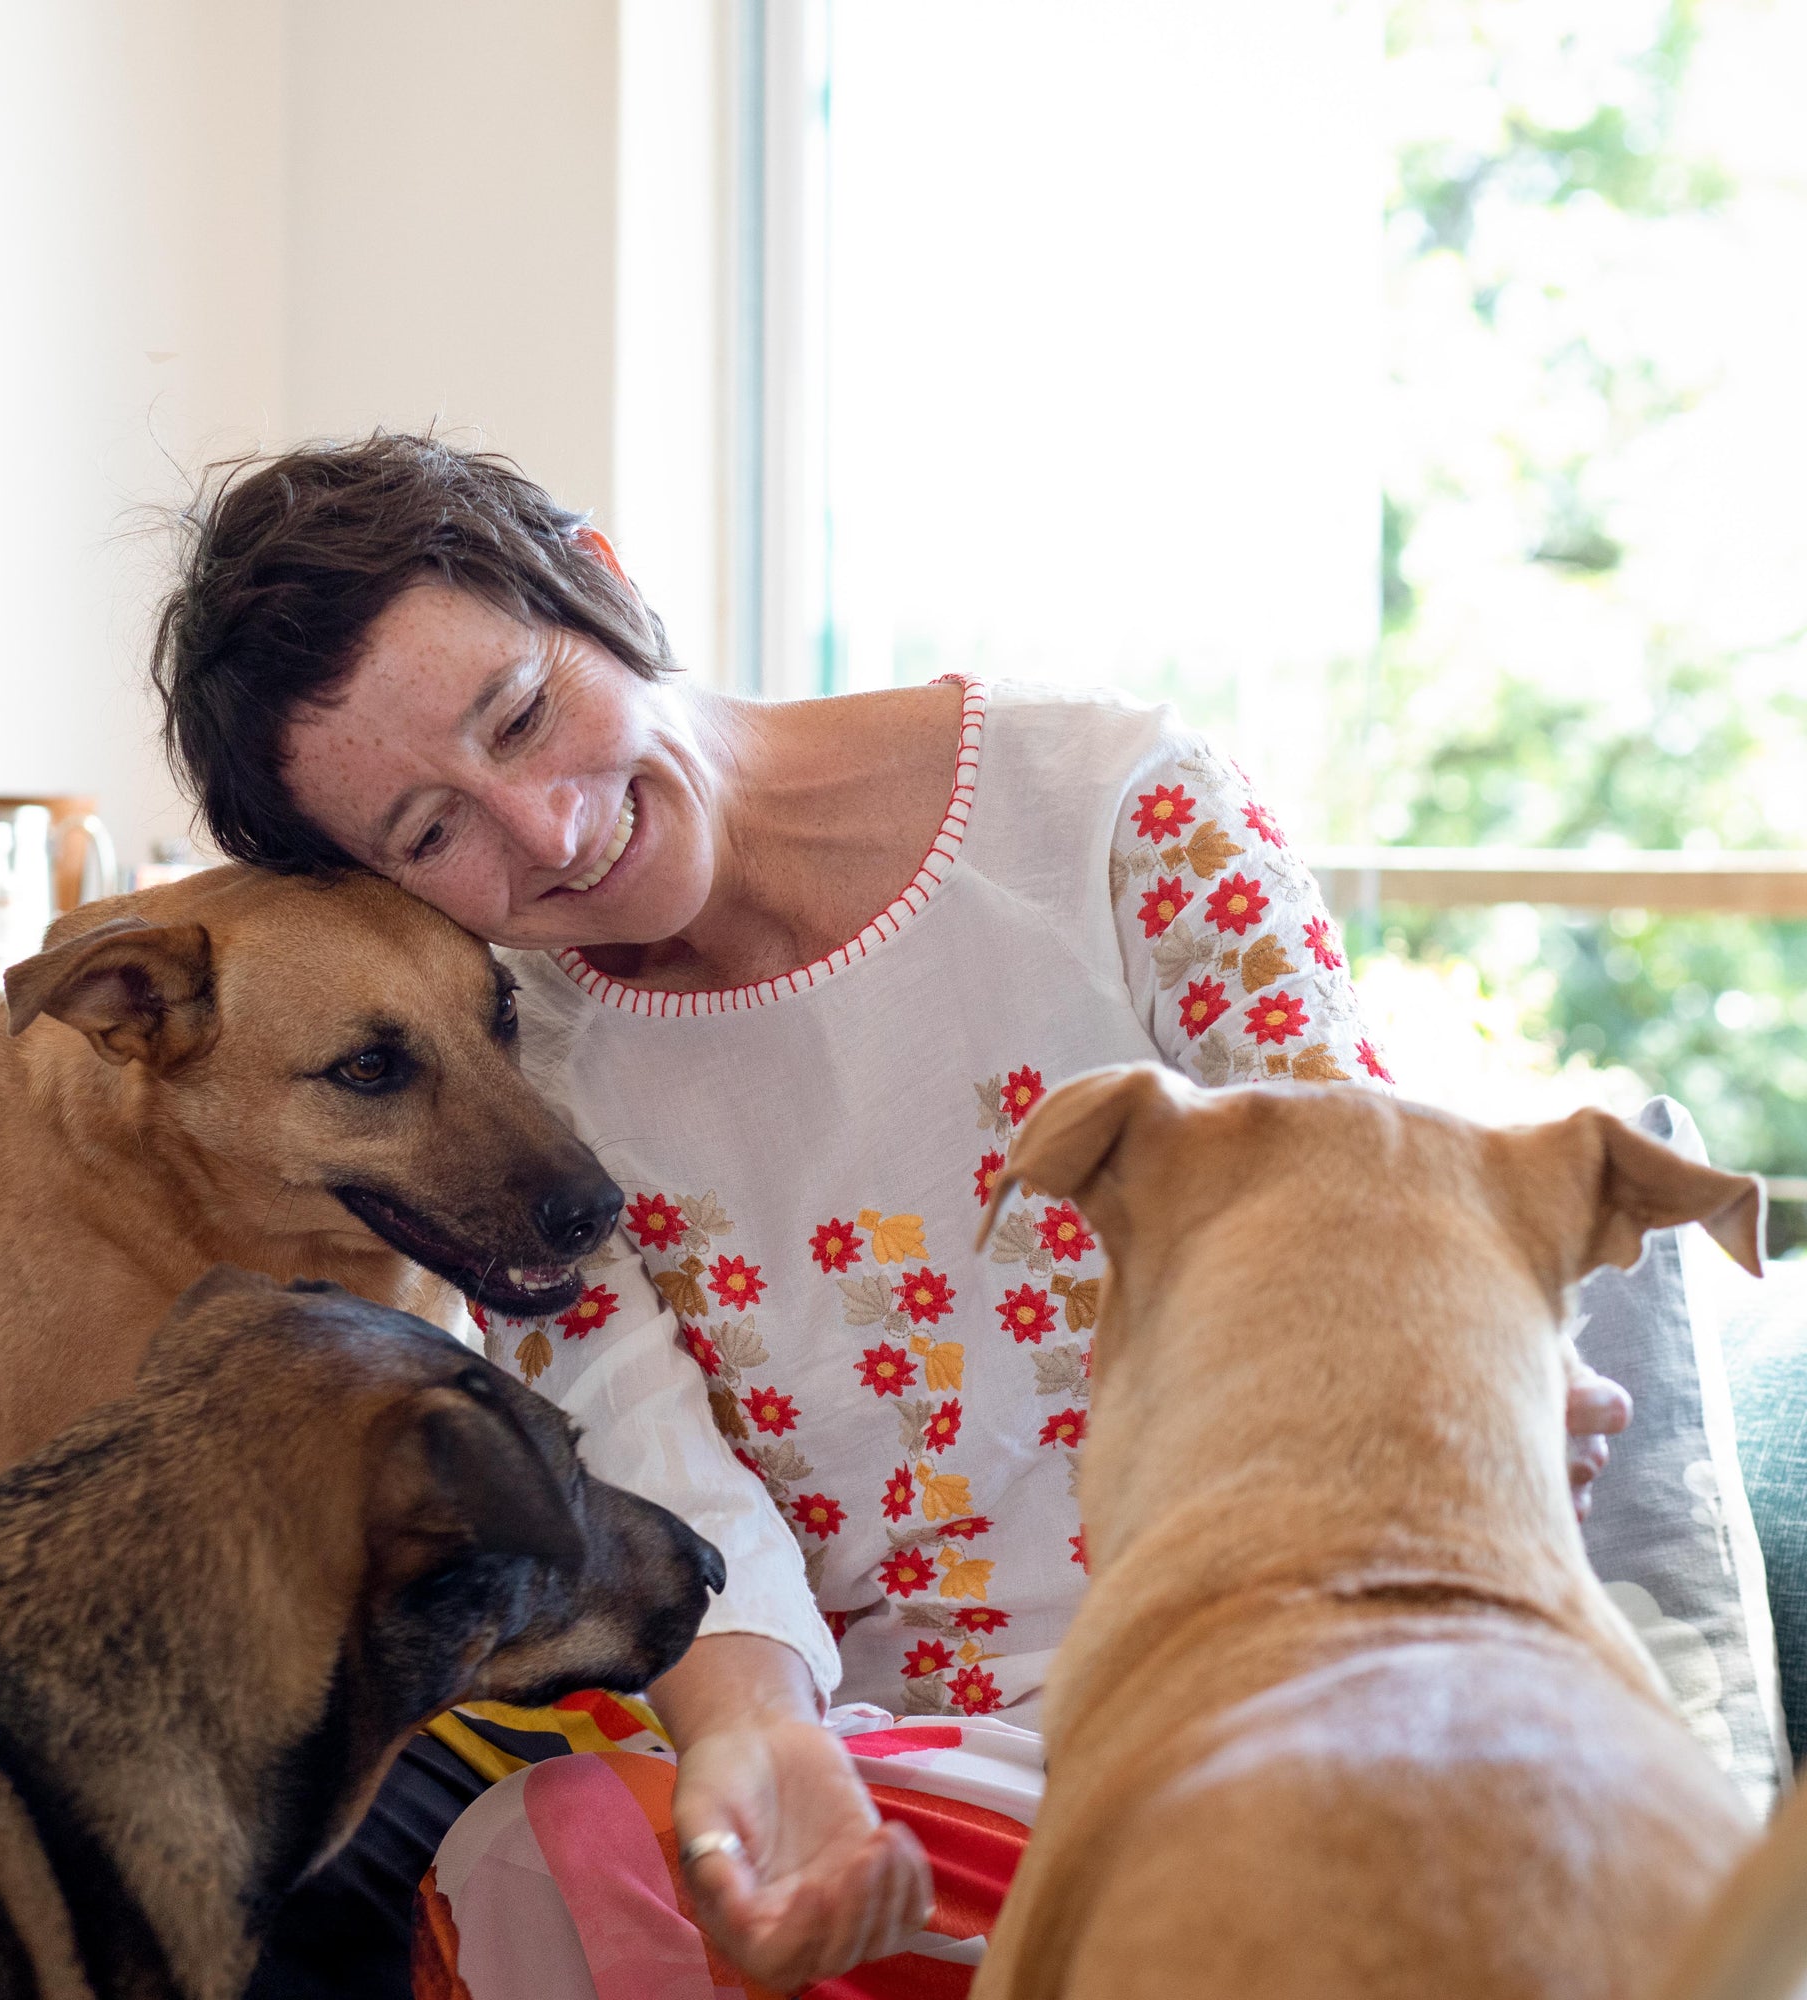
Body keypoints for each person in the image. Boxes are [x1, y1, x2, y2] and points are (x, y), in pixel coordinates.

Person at [151, 433, 1631, 1999]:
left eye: (524, 717)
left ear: (598, 581)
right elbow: (638, 1445)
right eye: (429, 835)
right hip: (875, 1750)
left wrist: (1482, 1348)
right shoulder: (505, 1065)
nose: (548, 833)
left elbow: (1356, 1181)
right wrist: (759, 1734)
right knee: (549, 1849)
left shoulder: (1121, 814)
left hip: (1265, 1676)